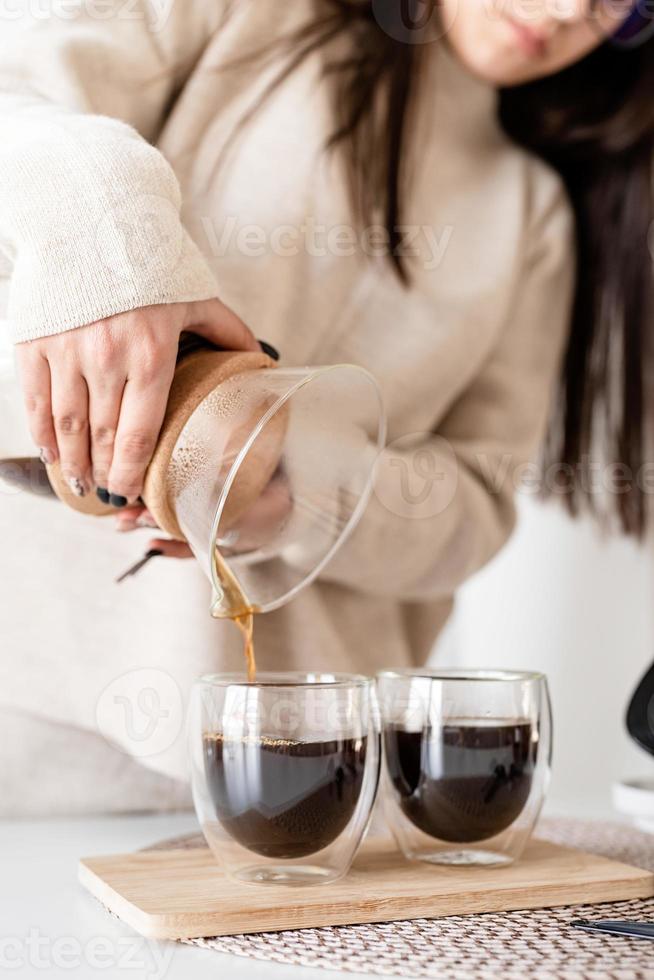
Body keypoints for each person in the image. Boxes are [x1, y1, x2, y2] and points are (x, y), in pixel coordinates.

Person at [0, 0, 650, 814]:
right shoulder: (253, 17)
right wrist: (107, 256)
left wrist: (293, 494)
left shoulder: (531, 212)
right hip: (33, 731)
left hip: (305, 782)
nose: (561, 15)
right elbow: (14, 90)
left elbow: (473, 506)